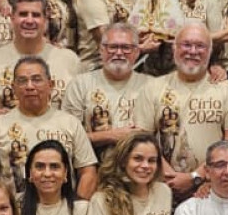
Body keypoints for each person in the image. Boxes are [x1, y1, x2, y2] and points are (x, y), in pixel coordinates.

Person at [138, 20, 228, 198]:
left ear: (210, 51)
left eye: (200, 46)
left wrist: (195, 177)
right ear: (174, 48)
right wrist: (170, 177)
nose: (192, 51)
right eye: (186, 45)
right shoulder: (152, 88)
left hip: (211, 191)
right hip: (160, 189)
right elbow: (142, 140)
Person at [0, 56, 98, 198]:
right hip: (15, 208)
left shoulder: (70, 123)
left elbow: (88, 171)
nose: (30, 86)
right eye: (22, 81)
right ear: (13, 88)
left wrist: (78, 206)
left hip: (63, 208)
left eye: (37, 80)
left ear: (51, 84)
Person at [0, 0, 83, 115]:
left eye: (36, 15)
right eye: (23, 14)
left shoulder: (69, 60)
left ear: (45, 19)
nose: (29, 20)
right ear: (12, 17)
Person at [64, 21, 159, 154]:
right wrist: (109, 136)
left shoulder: (153, 86)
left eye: (126, 47)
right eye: (112, 47)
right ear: (101, 50)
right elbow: (67, 137)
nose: (119, 53)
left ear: (137, 52)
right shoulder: (79, 85)